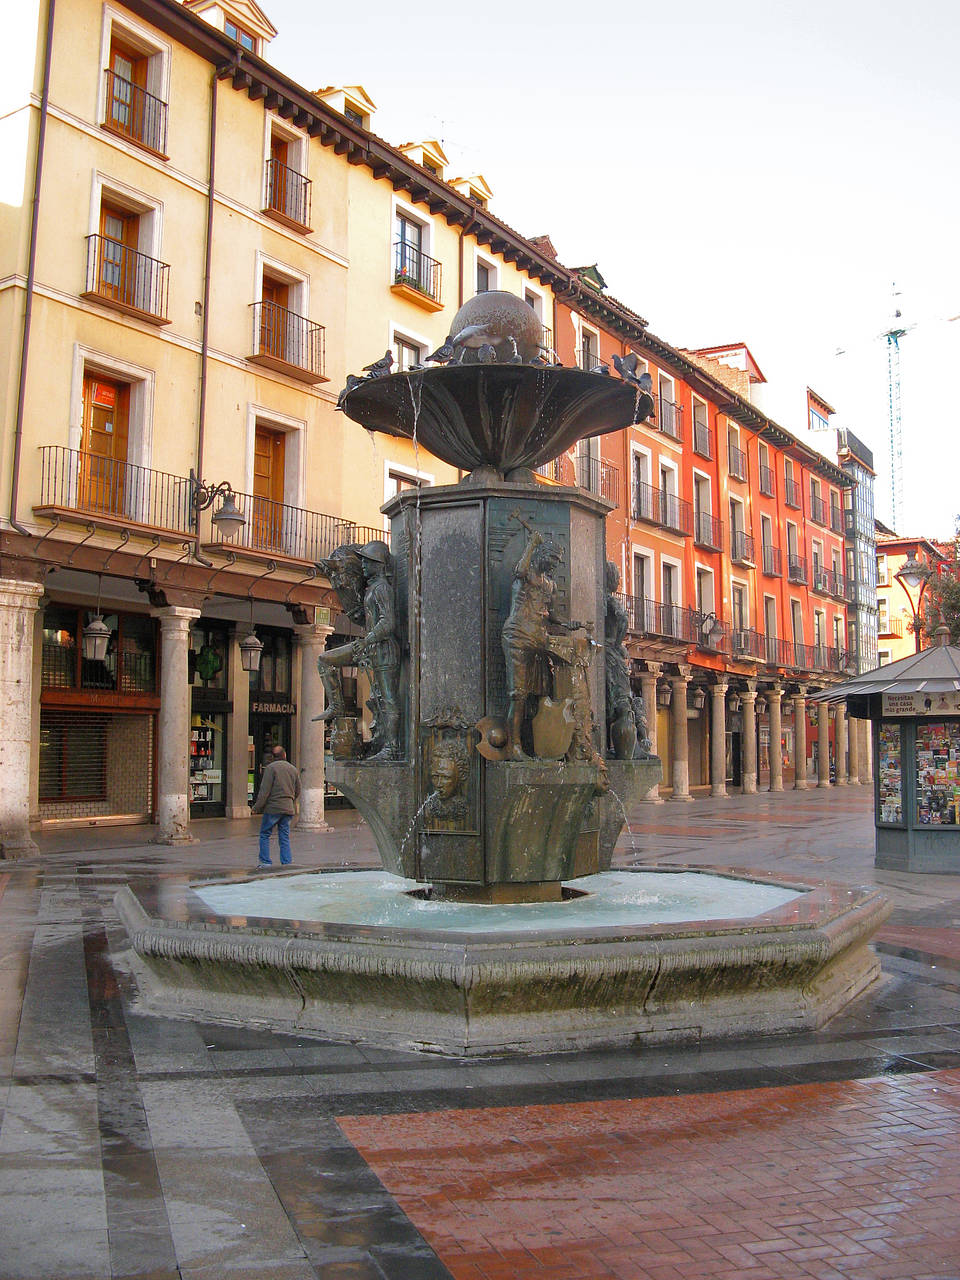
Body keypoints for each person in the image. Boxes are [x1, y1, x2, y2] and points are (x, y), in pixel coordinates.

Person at [250, 745, 301, 869]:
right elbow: (298, 789)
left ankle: (265, 862)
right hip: (288, 808)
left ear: (273, 757)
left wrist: (256, 807)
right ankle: (286, 862)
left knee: (265, 834)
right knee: (284, 835)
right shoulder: (293, 769)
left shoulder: (271, 768)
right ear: (285, 755)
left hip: (273, 808)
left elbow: (264, 791)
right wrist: (291, 800)